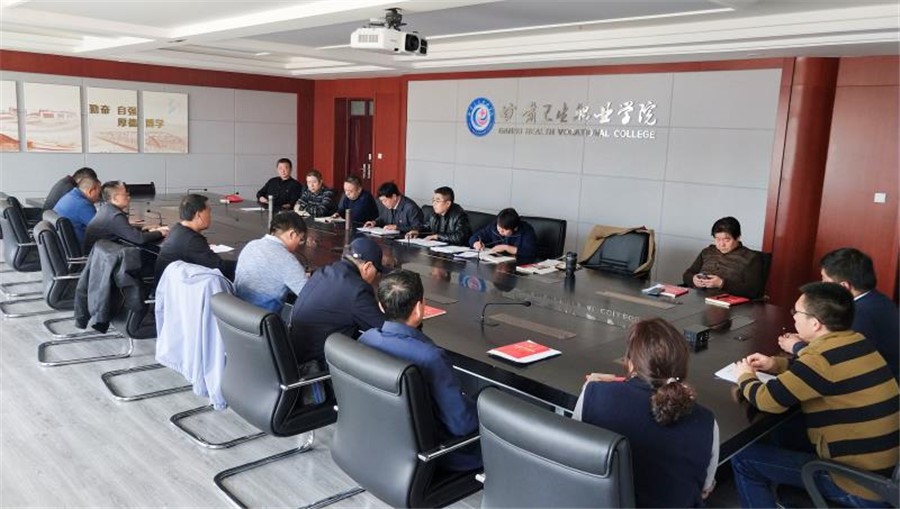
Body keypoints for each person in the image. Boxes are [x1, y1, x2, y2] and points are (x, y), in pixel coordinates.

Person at [732, 282, 899, 508]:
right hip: (884, 476)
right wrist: (775, 364)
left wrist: (744, 376)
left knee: (743, 458)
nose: (793, 317)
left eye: (797, 312)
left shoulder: (820, 359)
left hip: (857, 485)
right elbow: (820, 373)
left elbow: (767, 400)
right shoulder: (856, 341)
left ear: (815, 323)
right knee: (784, 430)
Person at [574, 317, 718, 508]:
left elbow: (574, 460)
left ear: (631, 363)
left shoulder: (595, 395)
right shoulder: (707, 421)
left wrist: (591, 388)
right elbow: (705, 488)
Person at [360, 270, 481, 471]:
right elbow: (462, 425)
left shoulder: (367, 339)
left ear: (381, 306)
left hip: (382, 441)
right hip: (436, 455)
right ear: (419, 308)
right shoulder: (430, 357)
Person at [779, 248, 899, 379]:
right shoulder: (878, 299)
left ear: (843, 286)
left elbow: (836, 360)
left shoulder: (857, 314)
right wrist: (812, 338)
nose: (822, 284)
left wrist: (796, 347)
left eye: (824, 279)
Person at [289, 236, 385, 366]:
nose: (376, 278)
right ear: (367, 267)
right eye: (377, 273)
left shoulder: (323, 272)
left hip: (295, 357)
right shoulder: (358, 290)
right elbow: (385, 331)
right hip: (317, 367)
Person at [235, 212, 309, 314]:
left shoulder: (251, 245)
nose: (299, 245)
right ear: (292, 234)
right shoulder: (286, 259)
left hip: (237, 313)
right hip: (263, 319)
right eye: (300, 239)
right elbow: (310, 296)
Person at [154, 194, 235, 281]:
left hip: (168, 286)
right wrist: (243, 264)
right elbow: (219, 268)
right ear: (198, 215)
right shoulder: (191, 240)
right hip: (175, 288)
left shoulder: (177, 229)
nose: (210, 216)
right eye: (208, 211)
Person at [682, 216, 764, 299]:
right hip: (698, 299)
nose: (721, 244)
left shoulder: (751, 258)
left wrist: (721, 283)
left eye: (726, 240)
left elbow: (753, 291)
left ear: (738, 237)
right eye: (717, 239)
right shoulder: (707, 252)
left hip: (727, 303)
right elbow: (687, 275)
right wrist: (693, 279)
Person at [84, 181, 168, 255]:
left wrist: (144, 229)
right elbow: (139, 239)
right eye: (125, 195)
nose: (129, 197)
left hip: (100, 256)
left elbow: (125, 230)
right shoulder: (114, 216)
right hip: (102, 261)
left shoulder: (107, 209)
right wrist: (160, 232)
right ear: (115, 198)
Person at [406, 186, 472, 245]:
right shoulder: (435, 213)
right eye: (433, 200)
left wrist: (437, 236)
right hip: (438, 248)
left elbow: (459, 237)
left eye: (437, 201)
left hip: (456, 251)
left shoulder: (459, 215)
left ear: (448, 203)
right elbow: (427, 227)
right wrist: (417, 231)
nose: (434, 204)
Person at [468, 207, 537, 263]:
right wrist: (476, 243)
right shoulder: (494, 226)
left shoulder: (526, 230)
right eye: (499, 227)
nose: (500, 231)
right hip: (495, 263)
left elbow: (530, 252)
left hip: (516, 265)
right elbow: (474, 237)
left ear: (515, 228)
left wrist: (506, 247)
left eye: (504, 230)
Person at [52, 176, 101, 246]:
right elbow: (101, 230)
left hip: (63, 245)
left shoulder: (69, 196)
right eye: (99, 193)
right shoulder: (83, 204)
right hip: (83, 248)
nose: (99, 198)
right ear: (91, 191)